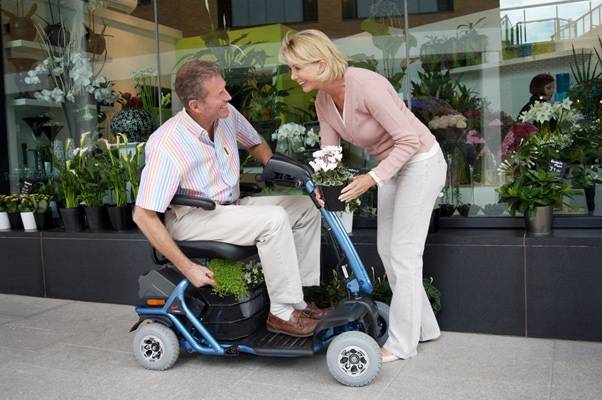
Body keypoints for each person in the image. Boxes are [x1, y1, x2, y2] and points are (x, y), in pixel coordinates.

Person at [279, 30, 447, 362]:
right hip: (391, 167)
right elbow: (330, 153)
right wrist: (321, 185)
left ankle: (401, 345)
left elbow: (409, 141)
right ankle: (425, 328)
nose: (293, 76)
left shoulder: (366, 85)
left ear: (319, 62)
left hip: (421, 162)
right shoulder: (323, 100)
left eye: (297, 68)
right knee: (388, 251)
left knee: (404, 254)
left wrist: (371, 179)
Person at [133, 60, 329, 338]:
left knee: (304, 208)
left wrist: (273, 168)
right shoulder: (167, 144)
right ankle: (282, 313)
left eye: (225, 89)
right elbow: (143, 215)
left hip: (228, 208)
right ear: (195, 106)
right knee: (273, 220)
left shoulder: (226, 115)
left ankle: (297, 301)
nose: (228, 97)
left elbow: (255, 141)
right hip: (192, 218)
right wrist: (187, 267)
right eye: (220, 94)